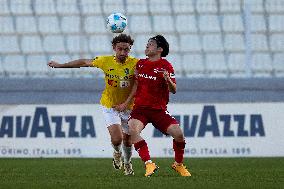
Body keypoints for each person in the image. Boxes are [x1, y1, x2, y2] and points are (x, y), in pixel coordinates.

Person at [47, 34, 138, 175]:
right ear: (114, 48)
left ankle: (127, 163)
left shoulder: (135, 64)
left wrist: (126, 103)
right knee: (117, 138)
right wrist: (60, 65)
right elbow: (83, 62)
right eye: (119, 49)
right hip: (110, 105)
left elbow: (137, 85)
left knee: (128, 140)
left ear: (130, 49)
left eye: (126, 50)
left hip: (129, 106)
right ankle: (117, 153)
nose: (122, 53)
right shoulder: (105, 61)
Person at [128, 35, 191, 177]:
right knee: (132, 129)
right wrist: (126, 103)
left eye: (150, 44)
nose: (147, 46)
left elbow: (173, 90)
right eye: (147, 43)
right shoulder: (140, 64)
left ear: (159, 49)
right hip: (140, 109)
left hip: (158, 110)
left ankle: (178, 164)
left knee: (179, 134)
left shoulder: (166, 66)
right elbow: (136, 85)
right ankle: (149, 163)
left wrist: (168, 79)